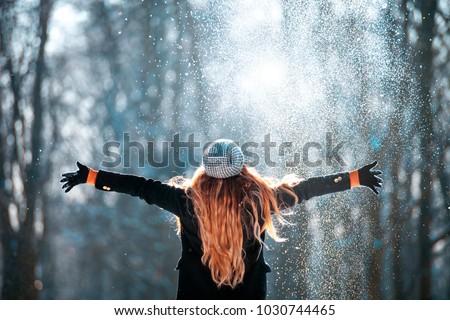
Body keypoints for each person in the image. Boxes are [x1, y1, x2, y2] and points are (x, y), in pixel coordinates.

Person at [60, 139, 382, 299]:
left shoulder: (186, 202)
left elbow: (139, 186)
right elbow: (309, 188)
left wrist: (92, 176)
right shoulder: (262, 200)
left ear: (205, 170)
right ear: (243, 169)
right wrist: (354, 178)